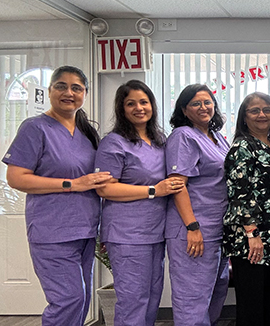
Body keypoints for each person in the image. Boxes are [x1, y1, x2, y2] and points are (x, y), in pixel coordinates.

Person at [3, 65, 112, 325]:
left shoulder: (86, 133)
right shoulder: (35, 128)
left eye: (76, 88)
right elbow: (16, 178)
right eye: (61, 86)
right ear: (50, 91)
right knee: (68, 299)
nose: (69, 92)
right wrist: (72, 184)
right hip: (52, 231)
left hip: (85, 230)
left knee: (82, 300)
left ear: (85, 93)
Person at [94, 80, 185, 326]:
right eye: (130, 103)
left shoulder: (159, 141)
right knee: (133, 299)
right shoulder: (114, 142)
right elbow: (105, 188)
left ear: (152, 106)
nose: (139, 108)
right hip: (127, 234)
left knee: (152, 298)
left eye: (143, 102)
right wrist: (154, 190)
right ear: (121, 109)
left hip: (156, 231)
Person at [223, 92, 270, 326]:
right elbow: (240, 193)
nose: (262, 115)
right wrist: (252, 234)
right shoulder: (243, 146)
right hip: (253, 241)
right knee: (252, 307)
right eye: (254, 110)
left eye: (267, 110)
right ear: (244, 117)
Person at [165, 84, 230, 326]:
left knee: (214, 293)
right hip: (194, 229)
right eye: (195, 103)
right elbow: (177, 185)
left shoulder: (217, 137)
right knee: (193, 299)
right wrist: (192, 227)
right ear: (184, 109)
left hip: (217, 228)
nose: (203, 107)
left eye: (207, 102)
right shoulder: (183, 136)